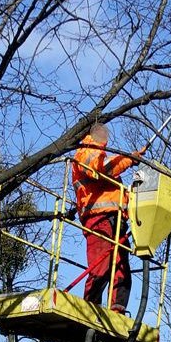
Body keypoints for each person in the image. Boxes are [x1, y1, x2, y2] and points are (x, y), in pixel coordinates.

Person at [71, 123, 145, 313]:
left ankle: (117, 311)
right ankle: (90, 308)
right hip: (98, 219)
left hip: (116, 219)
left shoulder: (97, 154)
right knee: (101, 267)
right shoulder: (85, 152)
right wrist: (125, 159)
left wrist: (130, 158)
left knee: (120, 268)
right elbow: (98, 169)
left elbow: (110, 165)